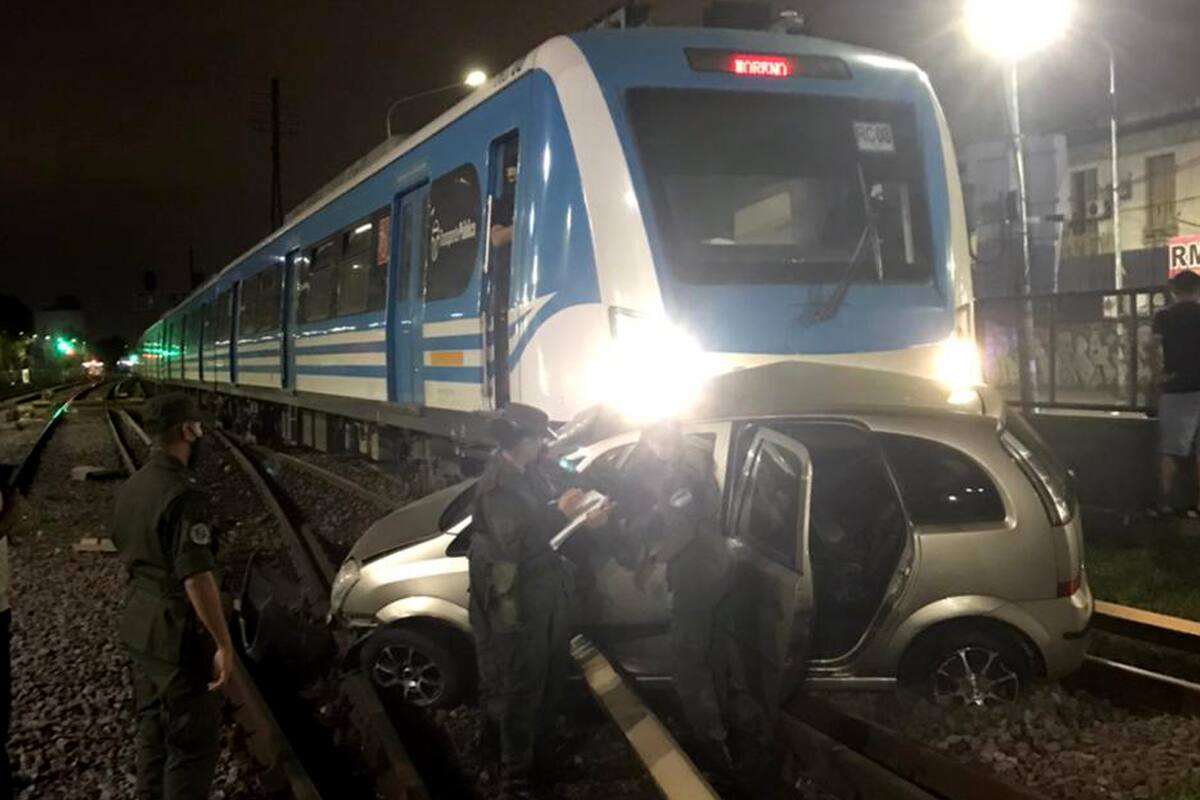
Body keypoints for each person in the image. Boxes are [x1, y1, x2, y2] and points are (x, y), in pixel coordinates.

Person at [617, 420, 769, 776]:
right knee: (712, 652)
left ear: (659, 441)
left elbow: (683, 525)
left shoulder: (679, 474)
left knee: (688, 659)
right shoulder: (696, 463)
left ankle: (709, 741)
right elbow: (682, 509)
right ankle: (725, 725)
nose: (650, 452)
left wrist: (653, 557)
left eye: (651, 444)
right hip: (716, 569)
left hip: (697, 573)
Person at [468, 404, 604, 799]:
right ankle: (514, 781)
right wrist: (559, 514)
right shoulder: (498, 487)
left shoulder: (531, 473)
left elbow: (547, 528)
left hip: (544, 600)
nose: (545, 443)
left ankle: (540, 764)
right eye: (539, 437)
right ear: (522, 441)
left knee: (546, 686)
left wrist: (581, 514)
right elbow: (516, 545)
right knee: (518, 692)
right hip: (517, 608)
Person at [111, 393, 233, 800]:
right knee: (189, 747)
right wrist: (221, 642)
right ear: (185, 430)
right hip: (174, 635)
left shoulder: (134, 485)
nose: (200, 435)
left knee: (152, 737)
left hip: (139, 624)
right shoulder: (185, 494)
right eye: (197, 427)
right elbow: (196, 576)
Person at [1151, 269, 1200, 518]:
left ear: (1174, 291)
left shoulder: (1164, 316)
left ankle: (1166, 505)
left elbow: (1154, 348)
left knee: (1170, 451)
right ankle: (1197, 506)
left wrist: (1159, 376)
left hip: (1177, 388)